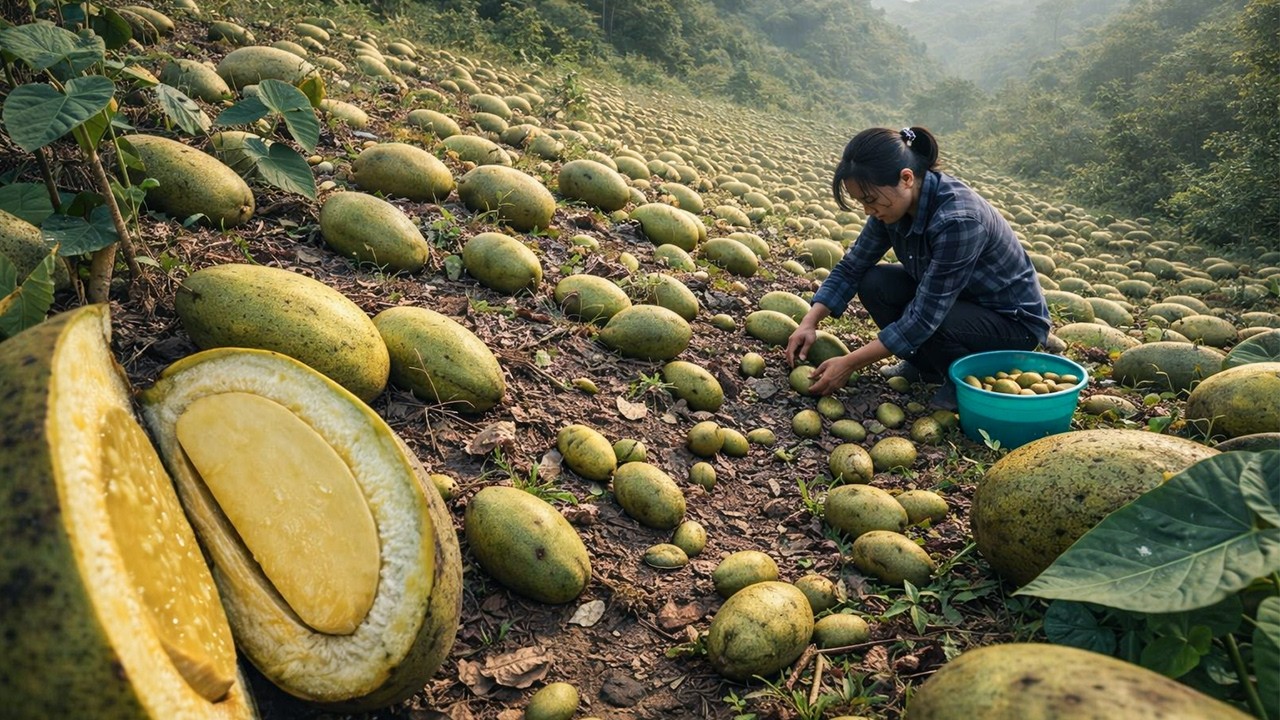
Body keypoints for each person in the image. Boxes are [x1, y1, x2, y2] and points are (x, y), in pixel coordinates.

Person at [785, 126, 1051, 409]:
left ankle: (960, 380)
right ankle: (925, 366)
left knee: (937, 320)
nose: (866, 209)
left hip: (1011, 323)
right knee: (875, 282)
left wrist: (849, 363)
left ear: (906, 178)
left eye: (870, 199)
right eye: (861, 201)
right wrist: (809, 322)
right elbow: (853, 266)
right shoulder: (892, 206)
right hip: (959, 301)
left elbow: (926, 316)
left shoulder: (958, 220)